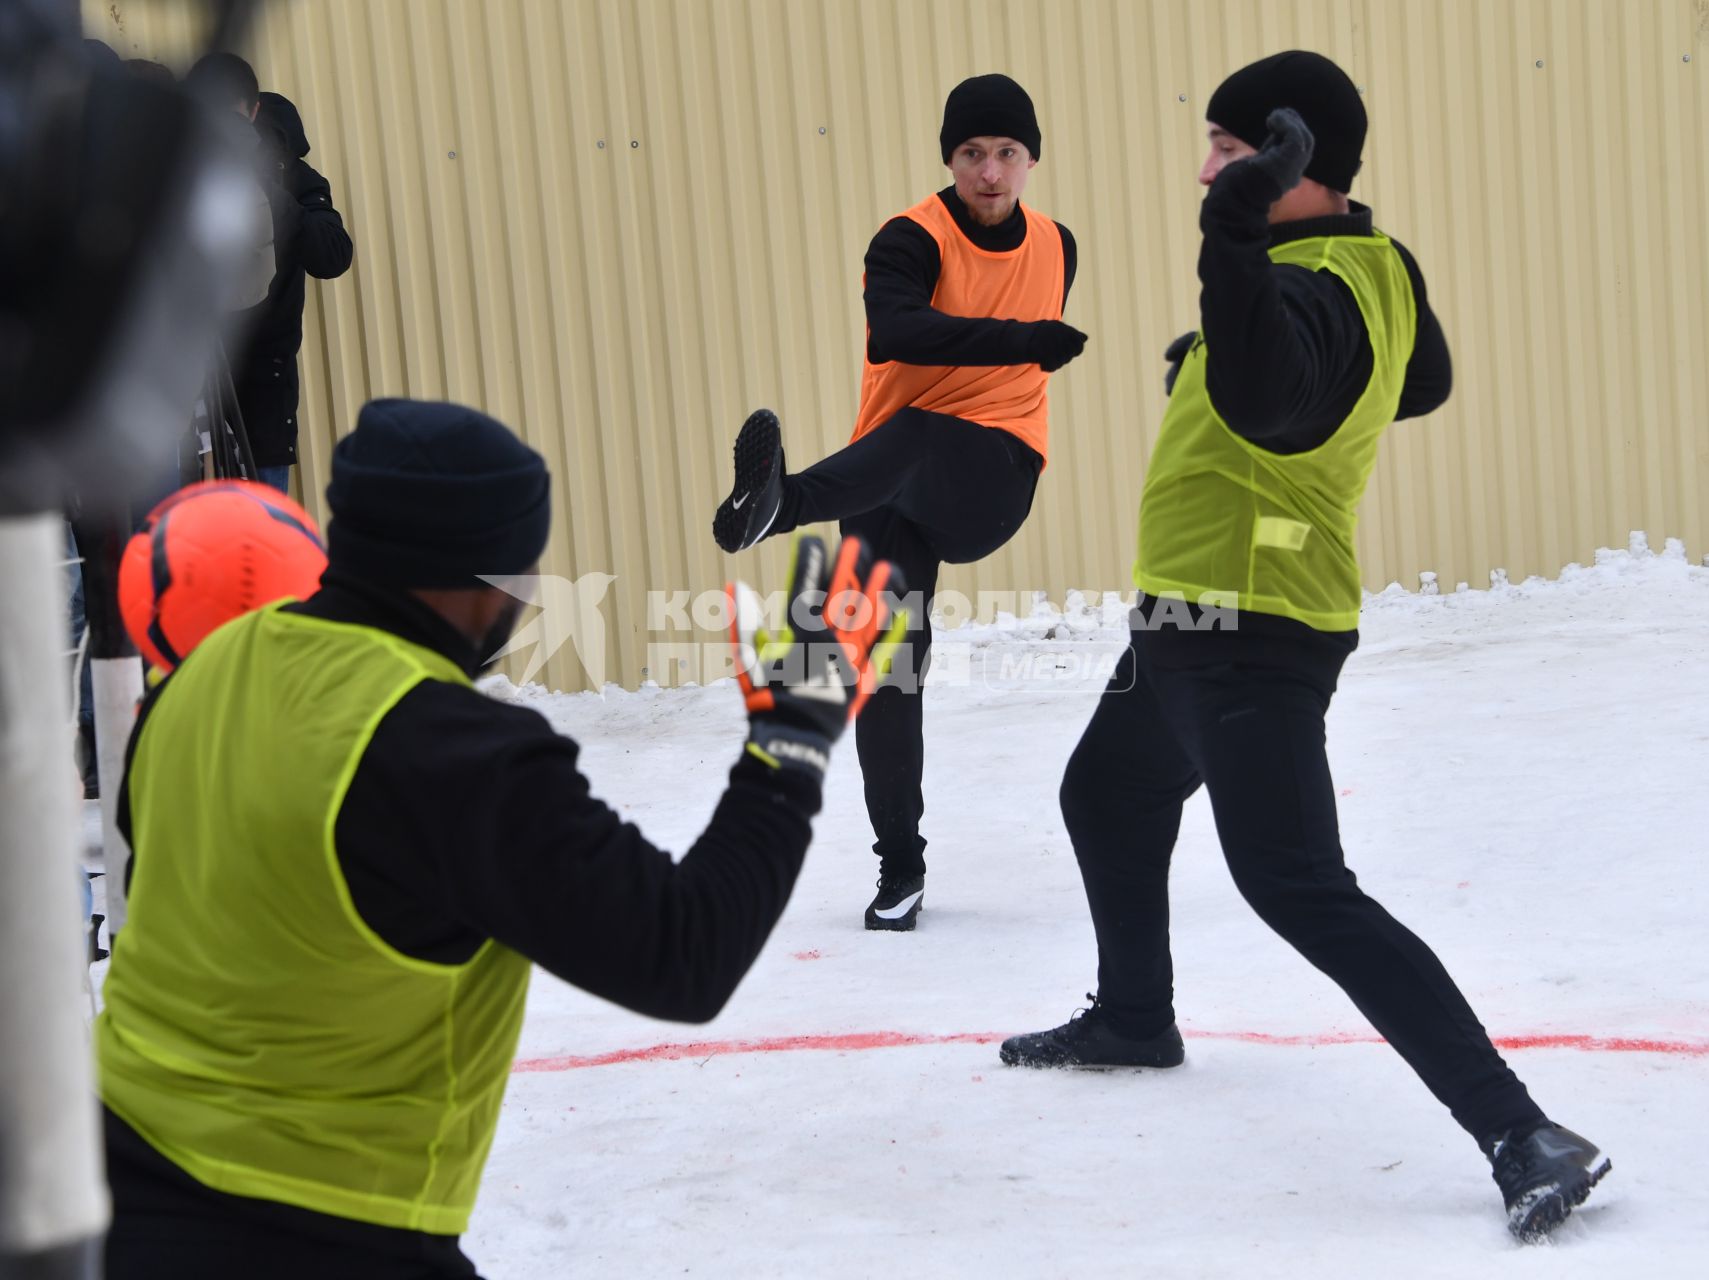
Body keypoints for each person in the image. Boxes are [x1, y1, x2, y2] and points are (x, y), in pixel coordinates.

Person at [999, 51, 1608, 1242]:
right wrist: (1254, 304)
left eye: (1229, 155)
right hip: (1189, 615)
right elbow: (1415, 380)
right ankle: (1133, 1016)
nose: (1206, 172)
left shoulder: (1308, 278)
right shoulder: (1362, 263)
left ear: (1293, 163)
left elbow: (1277, 401)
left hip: (1248, 629)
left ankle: (1519, 1127)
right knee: (1108, 793)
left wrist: (1233, 253)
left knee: (1294, 882)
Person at [95, 399, 901, 1278]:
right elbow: (683, 952)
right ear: (480, 581)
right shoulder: (446, 751)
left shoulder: (199, 675)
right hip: (311, 1226)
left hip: (109, 1186)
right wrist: (790, 744)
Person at [711, 73, 1086, 931]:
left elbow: (977, 361)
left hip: (993, 473)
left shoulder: (1058, 244)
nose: (988, 172)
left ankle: (784, 502)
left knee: (922, 429)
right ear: (947, 160)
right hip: (886, 477)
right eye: (970, 154)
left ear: (1030, 159)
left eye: (1006, 153)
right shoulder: (906, 239)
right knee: (889, 668)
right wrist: (1023, 340)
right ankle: (901, 870)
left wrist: (1012, 354)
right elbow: (899, 331)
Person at [235, 90, 355, 495]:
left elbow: (332, 256)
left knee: (262, 519)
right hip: (199, 377)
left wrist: (268, 192)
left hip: (266, 373)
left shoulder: (297, 179)